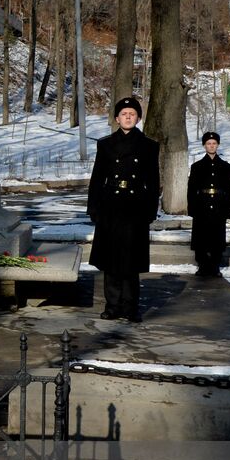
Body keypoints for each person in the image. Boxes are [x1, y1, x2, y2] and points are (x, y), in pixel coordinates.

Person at [87, 96, 160, 322]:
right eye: (124, 114)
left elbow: (153, 181)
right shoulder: (105, 144)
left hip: (135, 208)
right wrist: (94, 208)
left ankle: (130, 307)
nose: (128, 117)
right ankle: (112, 306)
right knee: (111, 261)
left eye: (132, 114)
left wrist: (150, 210)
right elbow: (97, 179)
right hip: (110, 207)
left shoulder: (149, 146)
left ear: (138, 118)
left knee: (131, 261)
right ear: (117, 118)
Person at [187, 131, 230, 277]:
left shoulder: (226, 167)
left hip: (219, 206)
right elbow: (191, 189)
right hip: (202, 205)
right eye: (208, 143)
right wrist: (192, 207)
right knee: (201, 236)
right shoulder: (197, 166)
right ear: (204, 145)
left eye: (214, 143)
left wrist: (229, 209)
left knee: (217, 236)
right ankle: (202, 265)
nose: (211, 146)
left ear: (218, 145)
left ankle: (215, 266)